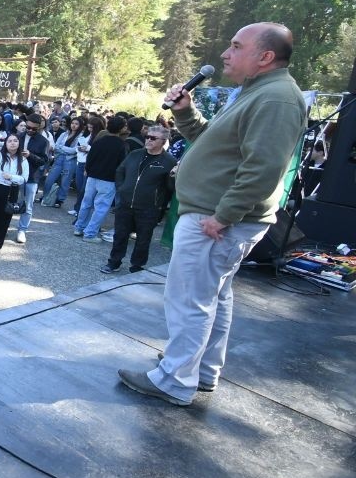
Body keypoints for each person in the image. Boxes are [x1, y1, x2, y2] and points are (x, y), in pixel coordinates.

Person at [119, 22, 307, 406]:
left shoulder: (275, 99)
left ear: (265, 56)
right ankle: (200, 369)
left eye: (236, 46)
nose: (225, 53)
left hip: (217, 220)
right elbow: (216, 146)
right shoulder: (257, 93)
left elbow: (263, 168)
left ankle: (174, 379)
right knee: (213, 297)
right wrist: (186, 114)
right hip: (218, 216)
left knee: (190, 298)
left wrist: (224, 216)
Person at [101, 124, 176, 274]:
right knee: (120, 235)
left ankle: (137, 266)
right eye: (147, 136)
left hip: (149, 208)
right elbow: (120, 171)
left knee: (143, 239)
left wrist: (173, 179)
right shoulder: (135, 154)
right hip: (126, 203)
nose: (148, 140)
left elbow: (170, 188)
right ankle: (114, 262)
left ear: (163, 141)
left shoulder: (169, 161)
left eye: (153, 138)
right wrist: (121, 188)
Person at [73, 115, 128, 242]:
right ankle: (90, 233)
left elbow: (90, 157)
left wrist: (89, 169)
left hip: (92, 177)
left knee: (86, 203)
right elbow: (122, 164)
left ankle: (79, 227)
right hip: (109, 180)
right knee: (101, 208)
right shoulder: (121, 145)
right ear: (120, 129)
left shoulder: (99, 141)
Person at [13, 114, 51, 244]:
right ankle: (2, 227)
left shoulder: (43, 141)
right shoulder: (17, 137)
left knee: (28, 206)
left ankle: (22, 230)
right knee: (11, 202)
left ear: (39, 127)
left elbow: (44, 161)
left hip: (31, 177)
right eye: (28, 127)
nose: (30, 130)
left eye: (34, 129)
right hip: (15, 175)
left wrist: (30, 155)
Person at [41, 116, 83, 209]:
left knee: (65, 181)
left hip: (70, 160)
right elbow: (56, 146)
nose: (74, 125)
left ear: (80, 126)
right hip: (59, 158)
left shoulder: (81, 137)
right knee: (49, 179)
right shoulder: (64, 134)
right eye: (72, 123)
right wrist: (63, 149)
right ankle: (45, 196)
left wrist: (62, 148)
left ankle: (60, 199)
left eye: (76, 124)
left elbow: (74, 151)